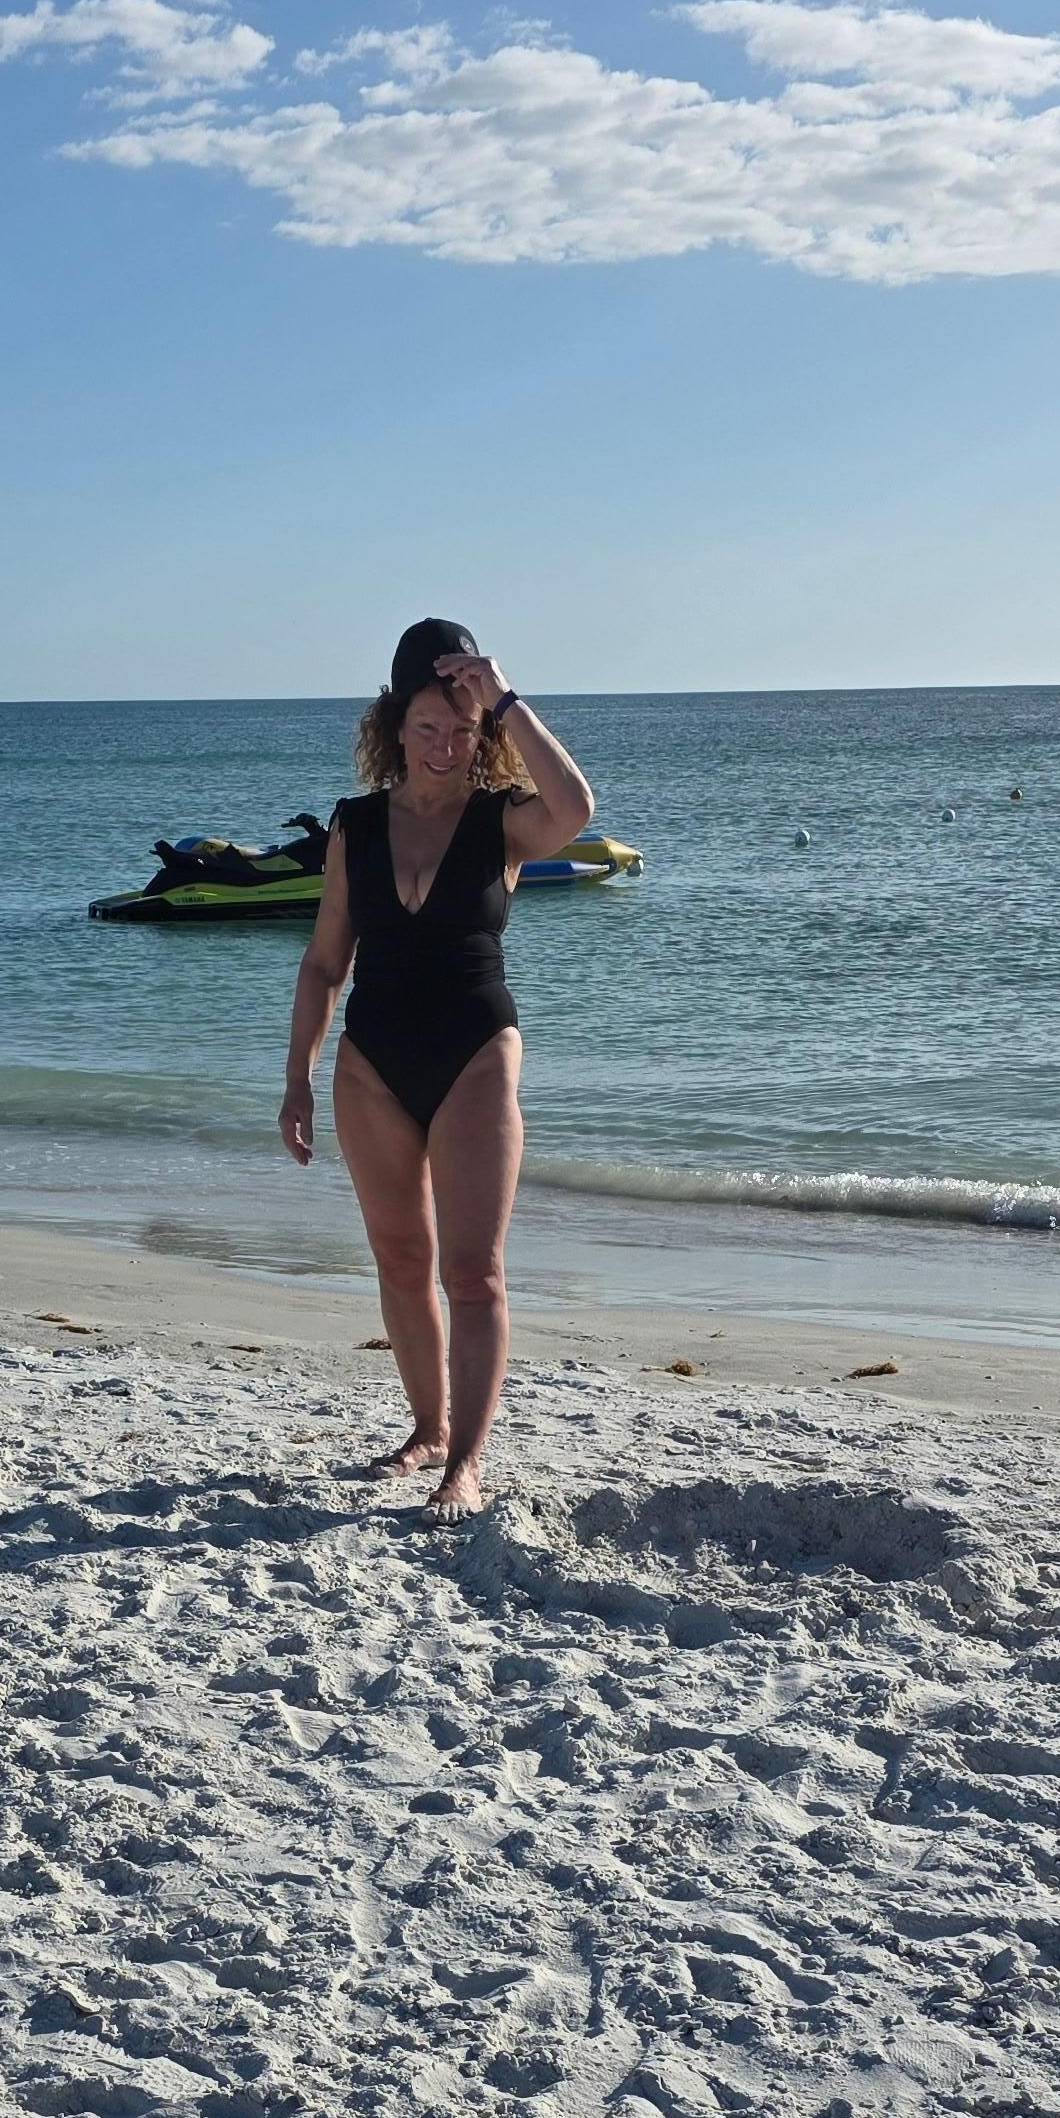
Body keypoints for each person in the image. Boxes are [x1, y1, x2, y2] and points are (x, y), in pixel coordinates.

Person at [279, 621, 595, 1515]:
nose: (447, 746)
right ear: (394, 725)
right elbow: (324, 962)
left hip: (474, 1053)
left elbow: (575, 808)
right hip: (371, 1063)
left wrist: (506, 696)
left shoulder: (504, 820)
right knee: (400, 1258)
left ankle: (467, 1460)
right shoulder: (356, 826)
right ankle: (426, 1429)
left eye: (463, 729)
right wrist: (298, 1076)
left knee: (474, 1271)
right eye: (428, 727)